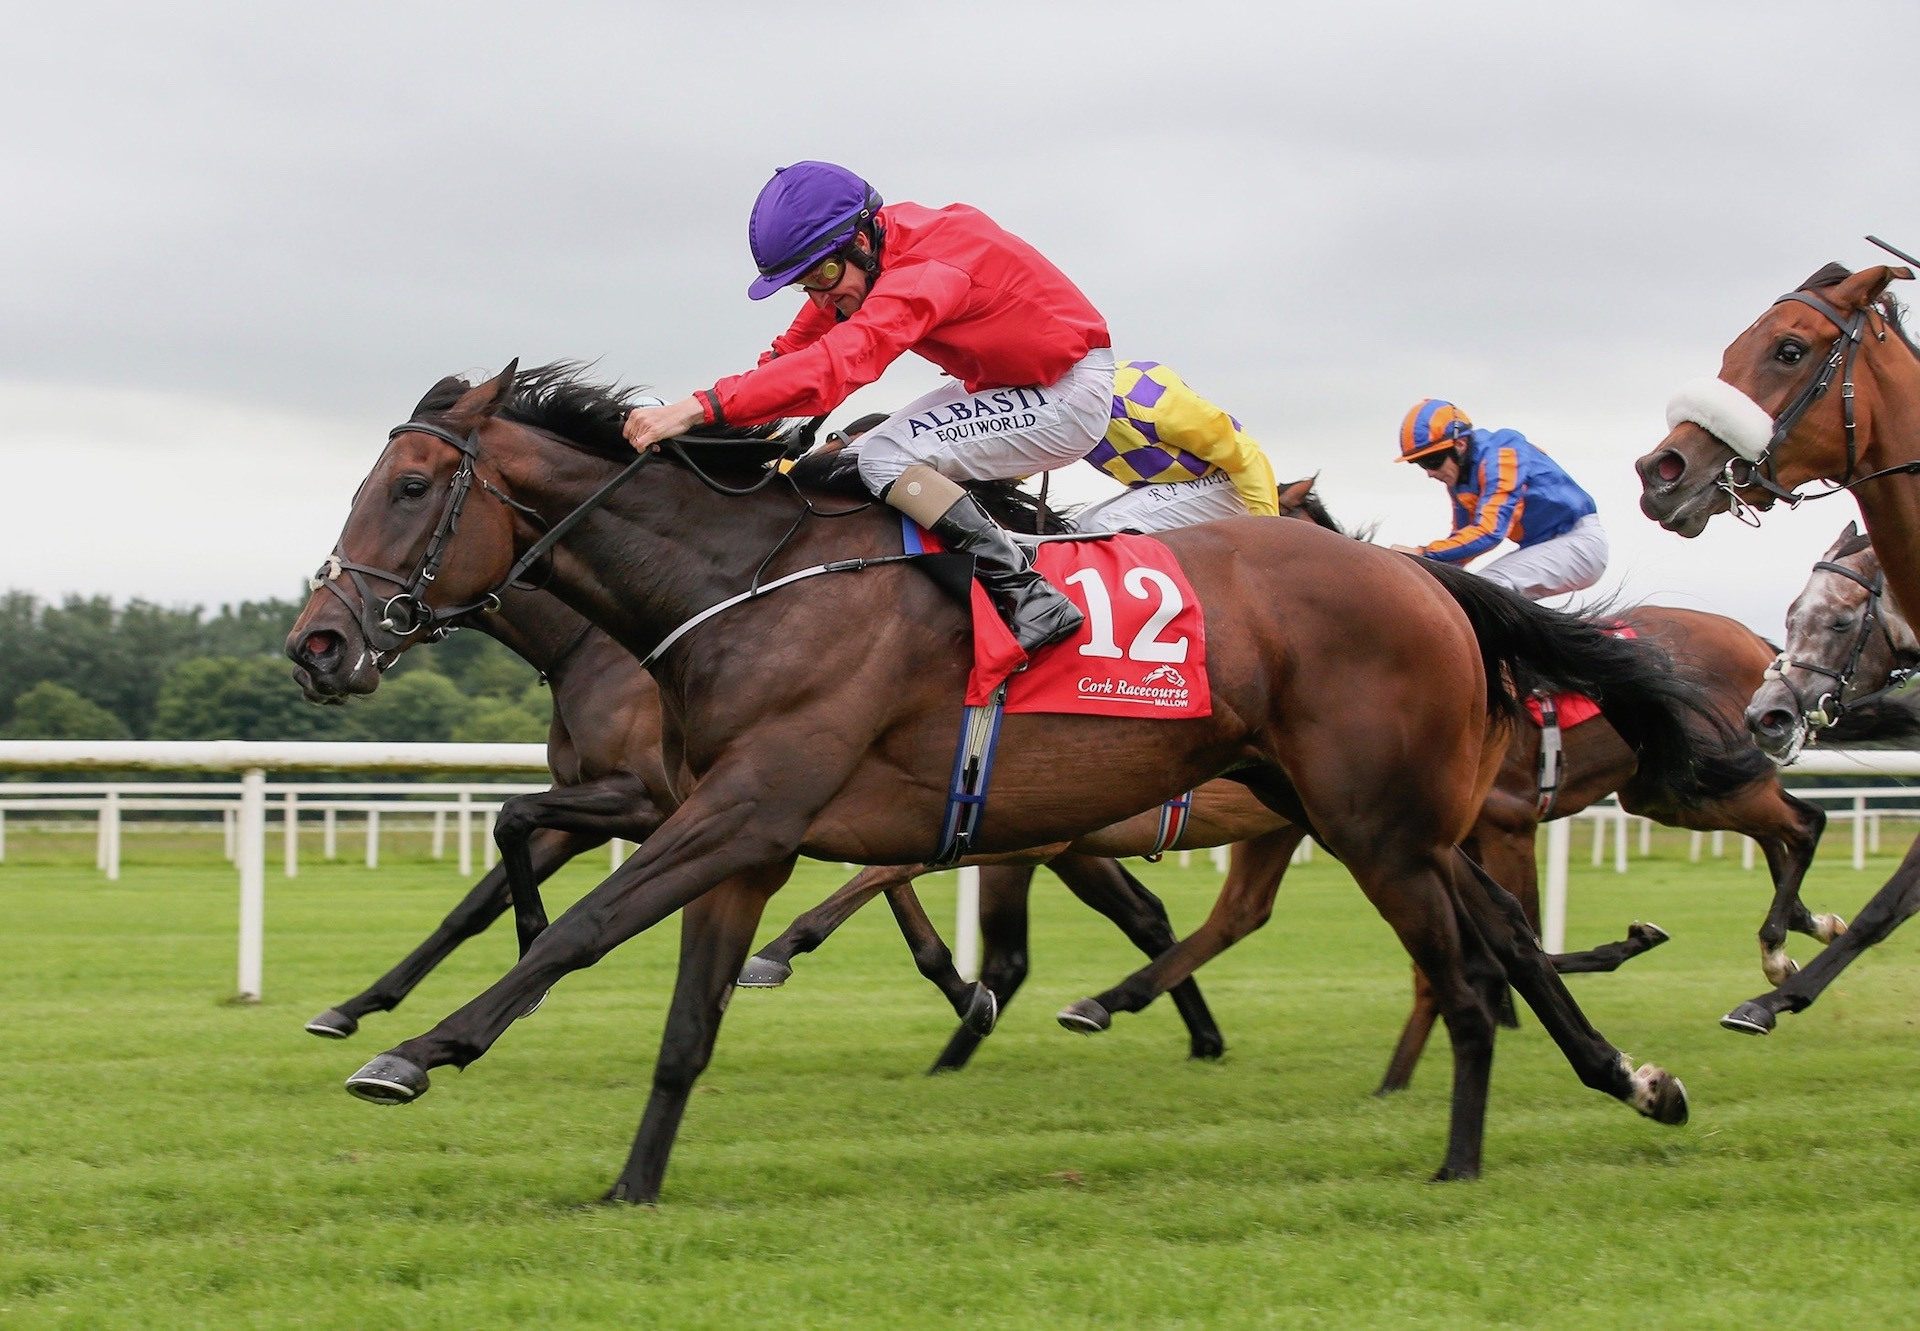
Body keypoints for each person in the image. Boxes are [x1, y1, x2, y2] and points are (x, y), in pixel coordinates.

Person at [621, 160, 1113, 654]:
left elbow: (838, 365)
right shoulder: (870, 252)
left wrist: (696, 409)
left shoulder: (927, 270)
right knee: (854, 462)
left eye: (826, 275)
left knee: (882, 458)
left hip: (1066, 392)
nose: (821, 295)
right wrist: (705, 429)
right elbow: (790, 357)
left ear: (862, 238)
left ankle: (1028, 595)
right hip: (1010, 384)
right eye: (805, 284)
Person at [827, 364, 1280, 534]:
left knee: (1105, 525)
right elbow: (1006, 463)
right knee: (1076, 532)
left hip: (1228, 483)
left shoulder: (1150, 398)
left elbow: (1250, 458)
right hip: (1175, 485)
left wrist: (1272, 537)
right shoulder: (1060, 407)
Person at [1390, 399, 1607, 600]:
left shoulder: (1502, 455)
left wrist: (1422, 553)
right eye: (1420, 463)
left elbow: (1489, 532)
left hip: (1579, 541)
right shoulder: (1460, 477)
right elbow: (1462, 543)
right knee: (1463, 591)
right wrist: (1420, 570)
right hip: (1542, 547)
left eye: (1432, 460)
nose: (1429, 472)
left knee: (1483, 591)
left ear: (1460, 445)